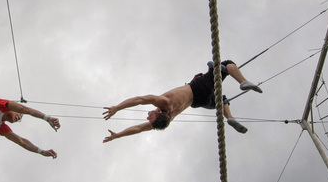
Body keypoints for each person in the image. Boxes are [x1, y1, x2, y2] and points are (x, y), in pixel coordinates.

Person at [102, 60, 261, 143]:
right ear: (158, 114)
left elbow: (138, 129)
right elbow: (139, 99)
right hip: (198, 88)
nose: (147, 117)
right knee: (225, 64)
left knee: (222, 100)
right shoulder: (163, 103)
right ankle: (243, 81)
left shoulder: (169, 117)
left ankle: (230, 118)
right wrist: (117, 107)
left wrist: (118, 136)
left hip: (199, 102)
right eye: (150, 117)